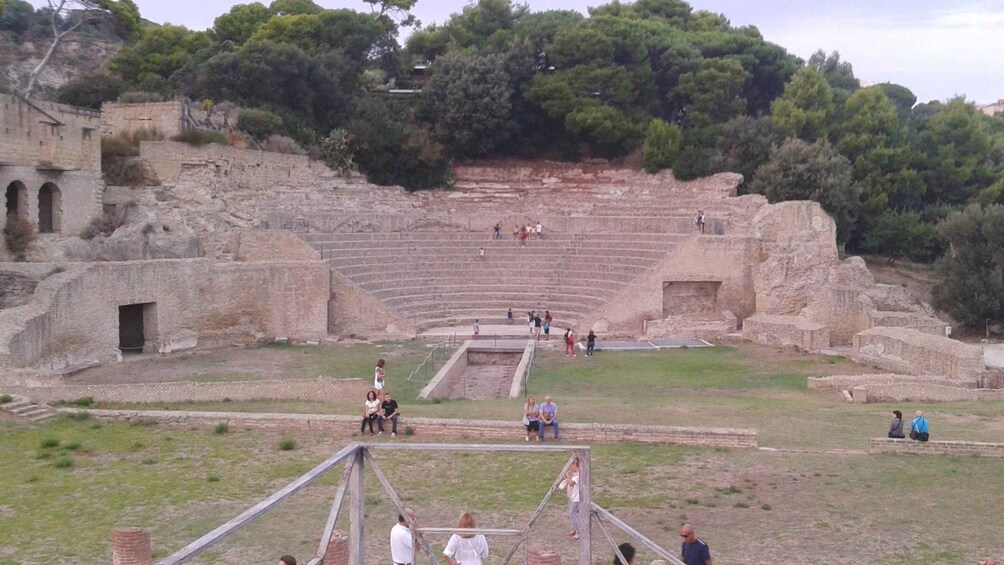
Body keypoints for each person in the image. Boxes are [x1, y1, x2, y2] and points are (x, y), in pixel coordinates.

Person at [558, 459, 580, 540]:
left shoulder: (578, 475)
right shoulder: (575, 474)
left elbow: (571, 483)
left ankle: (578, 532)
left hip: (577, 499)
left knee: (572, 513)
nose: (571, 467)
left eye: (572, 465)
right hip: (573, 497)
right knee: (571, 514)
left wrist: (567, 476)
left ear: (575, 465)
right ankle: (574, 529)